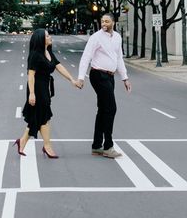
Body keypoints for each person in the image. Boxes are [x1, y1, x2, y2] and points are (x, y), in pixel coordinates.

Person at [14, 28, 81, 159]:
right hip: (37, 88)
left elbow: (58, 65)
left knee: (38, 117)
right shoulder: (35, 54)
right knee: (43, 117)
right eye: (48, 36)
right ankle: (47, 146)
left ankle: (22, 141)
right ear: (41, 39)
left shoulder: (48, 51)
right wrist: (32, 94)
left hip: (45, 87)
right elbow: (31, 75)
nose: (51, 37)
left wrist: (72, 80)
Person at [77, 13, 131, 159]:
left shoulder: (118, 37)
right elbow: (86, 56)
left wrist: (124, 78)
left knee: (103, 110)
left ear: (113, 22)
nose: (104, 24)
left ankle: (96, 146)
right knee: (111, 108)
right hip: (98, 75)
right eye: (102, 21)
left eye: (107, 21)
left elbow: (119, 58)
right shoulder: (96, 37)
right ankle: (108, 146)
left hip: (110, 76)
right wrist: (81, 77)